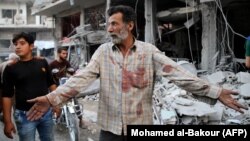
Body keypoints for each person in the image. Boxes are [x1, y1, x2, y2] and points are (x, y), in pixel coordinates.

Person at [26, 5, 247, 141]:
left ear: (129, 26)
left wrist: (216, 92)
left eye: (114, 24)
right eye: (108, 25)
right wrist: (51, 98)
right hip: (109, 131)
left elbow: (179, 75)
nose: (109, 29)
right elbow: (81, 79)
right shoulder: (103, 52)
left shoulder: (148, 52)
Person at [2, 32, 57, 141]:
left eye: (22, 43)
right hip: (24, 116)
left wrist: (57, 104)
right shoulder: (10, 68)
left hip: (46, 113)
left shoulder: (42, 62)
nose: (17, 46)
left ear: (31, 46)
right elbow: (6, 96)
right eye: (15, 44)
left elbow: (51, 84)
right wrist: (7, 122)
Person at [0, 53, 20, 119]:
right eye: (17, 59)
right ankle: (16, 116)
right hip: (13, 87)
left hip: (3, 87)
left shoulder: (2, 64)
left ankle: (4, 115)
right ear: (15, 59)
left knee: (5, 102)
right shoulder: (14, 64)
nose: (18, 60)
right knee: (15, 103)